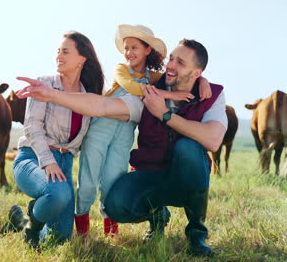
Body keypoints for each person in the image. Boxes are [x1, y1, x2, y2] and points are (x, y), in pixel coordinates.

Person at [15, 39, 226, 256]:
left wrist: (166, 114)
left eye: (180, 62)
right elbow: (101, 105)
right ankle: (157, 217)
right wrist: (52, 94)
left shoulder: (211, 95)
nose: (170, 65)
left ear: (196, 73)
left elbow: (212, 140)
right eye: (171, 58)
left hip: (186, 178)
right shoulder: (148, 94)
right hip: (152, 174)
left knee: (189, 147)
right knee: (106, 209)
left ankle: (196, 236)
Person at [74, 24, 211, 238]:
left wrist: (203, 80)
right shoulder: (121, 70)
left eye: (134, 47)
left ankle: (112, 235)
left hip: (125, 132)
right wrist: (171, 96)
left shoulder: (154, 76)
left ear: (148, 50)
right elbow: (132, 87)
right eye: (126, 48)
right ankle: (82, 234)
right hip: (102, 126)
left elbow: (182, 75)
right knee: (89, 181)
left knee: (112, 180)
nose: (128, 52)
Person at [5, 31, 105, 249]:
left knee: (59, 238)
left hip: (65, 164)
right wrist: (48, 161)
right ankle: (32, 228)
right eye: (58, 51)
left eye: (65, 52)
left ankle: (23, 220)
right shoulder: (45, 84)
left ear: (82, 59)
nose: (58, 56)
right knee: (58, 194)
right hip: (33, 158)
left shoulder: (89, 95)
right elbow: (32, 127)